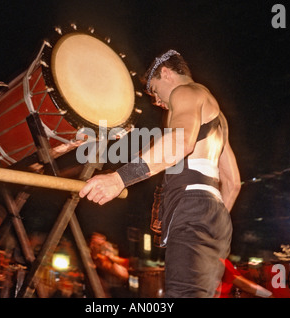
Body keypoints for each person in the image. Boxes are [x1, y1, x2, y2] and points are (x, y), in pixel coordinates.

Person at [79, 50, 241, 297]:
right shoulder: (219, 119)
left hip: (194, 208)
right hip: (216, 216)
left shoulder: (184, 92)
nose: (157, 101)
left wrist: (119, 178)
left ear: (166, 73)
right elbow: (232, 183)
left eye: (155, 91)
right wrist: (210, 222)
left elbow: (181, 143)